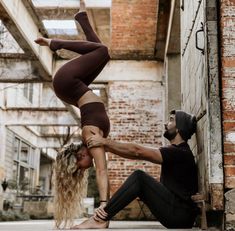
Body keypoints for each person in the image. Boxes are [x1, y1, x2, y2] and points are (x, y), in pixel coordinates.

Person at [34, 0, 110, 228]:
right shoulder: (94, 138)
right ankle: (81, 19)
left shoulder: (90, 136)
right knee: (103, 54)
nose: (91, 163)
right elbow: (102, 167)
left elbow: (103, 171)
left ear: (80, 155)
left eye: (84, 164)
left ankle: (53, 43)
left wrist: (104, 204)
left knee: (103, 51)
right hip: (73, 90)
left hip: (65, 82)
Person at [72, 110, 199, 229]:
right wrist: (107, 147)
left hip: (180, 214)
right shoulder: (178, 151)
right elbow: (133, 153)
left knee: (139, 178)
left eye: (171, 120)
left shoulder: (179, 152)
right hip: (178, 213)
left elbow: (137, 152)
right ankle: (102, 218)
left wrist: (105, 142)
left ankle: (100, 219)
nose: (166, 123)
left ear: (179, 128)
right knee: (140, 181)